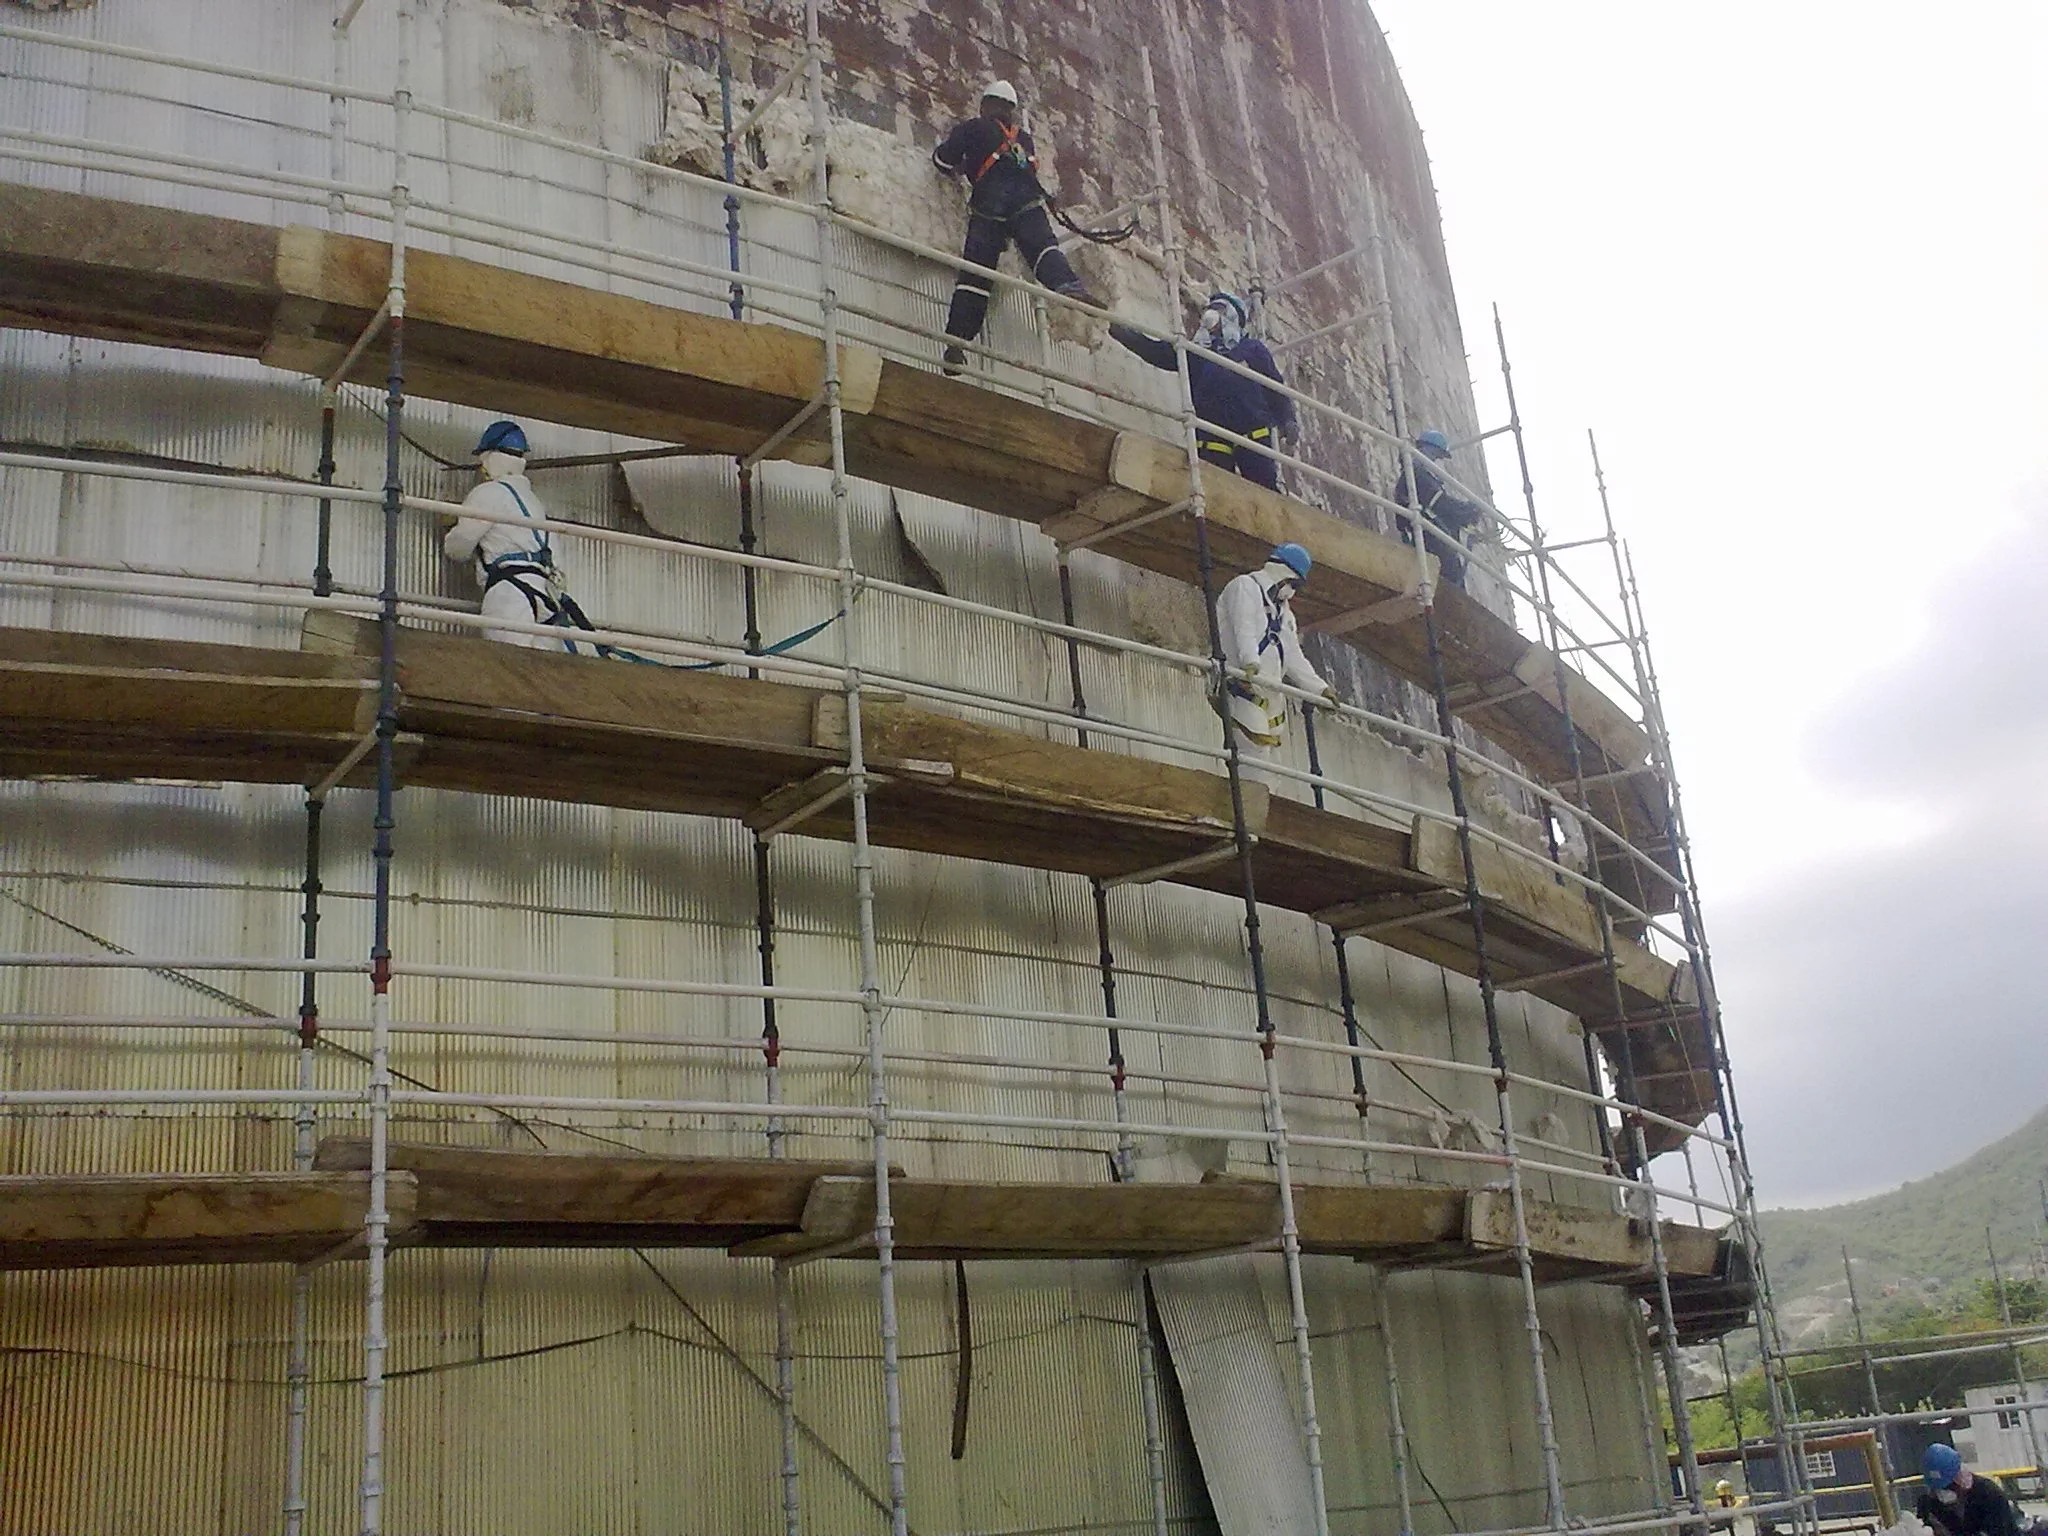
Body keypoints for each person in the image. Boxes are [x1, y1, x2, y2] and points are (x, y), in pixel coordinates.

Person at [931, 79, 1099, 374]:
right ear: (1011, 110)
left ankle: (956, 344)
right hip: (1028, 203)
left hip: (990, 206)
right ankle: (1069, 286)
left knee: (976, 276)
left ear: (985, 106)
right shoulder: (1025, 140)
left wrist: (962, 167)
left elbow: (943, 161)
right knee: (1043, 249)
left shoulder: (974, 128)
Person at [1110, 291, 1299, 491]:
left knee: (1262, 489)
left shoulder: (1252, 349)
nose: (1211, 313)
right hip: (1212, 437)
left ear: (1233, 315)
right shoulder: (1196, 353)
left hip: (1252, 433)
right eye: (1210, 308)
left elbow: (1273, 385)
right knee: (1214, 489)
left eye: (1219, 309)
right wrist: (1118, 330)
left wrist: (1288, 419)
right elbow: (1156, 351)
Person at [442, 420, 587, 653]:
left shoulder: (488, 493)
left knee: (506, 665)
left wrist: (452, 529)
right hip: (547, 597)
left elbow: (458, 548)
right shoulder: (535, 505)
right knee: (544, 670)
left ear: (489, 457)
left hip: (510, 594)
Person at [1216, 542, 1336, 750]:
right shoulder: (1245, 587)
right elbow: (1243, 628)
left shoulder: (1285, 614)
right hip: (1243, 684)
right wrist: (1250, 662)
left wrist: (1319, 690)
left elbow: (1293, 656)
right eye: (1293, 584)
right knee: (1253, 754)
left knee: (1270, 760)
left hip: (1270, 691)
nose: (1292, 592)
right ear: (1282, 572)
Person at [1392, 428, 1486, 589]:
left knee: (1453, 571)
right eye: (1436, 455)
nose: (1434, 460)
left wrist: (1464, 514)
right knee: (1450, 571)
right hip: (1428, 536)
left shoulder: (1418, 473)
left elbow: (1440, 505)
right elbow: (1440, 503)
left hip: (1428, 534)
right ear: (1427, 449)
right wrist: (1465, 510)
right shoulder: (1417, 473)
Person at [1917, 1444, 2021, 1536]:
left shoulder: (1989, 1496)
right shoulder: (1928, 1505)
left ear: (1959, 1479)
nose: (1941, 1493)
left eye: (1946, 1487)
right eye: (1936, 1488)